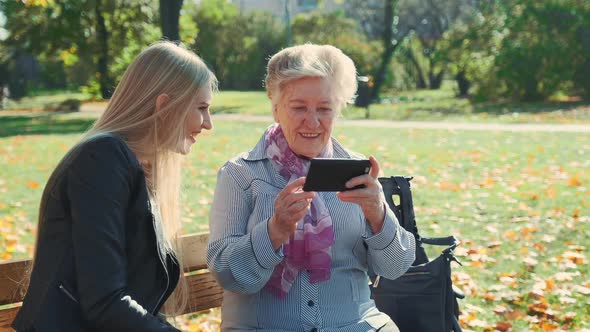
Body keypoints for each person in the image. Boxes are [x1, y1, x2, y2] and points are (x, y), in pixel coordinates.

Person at [207, 44, 415, 332]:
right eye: (299, 107)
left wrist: (379, 214)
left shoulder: (357, 171)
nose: (313, 121)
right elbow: (228, 274)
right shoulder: (240, 174)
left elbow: (396, 267)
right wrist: (275, 231)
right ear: (275, 106)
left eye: (324, 109)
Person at [12, 41, 217, 331]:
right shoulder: (102, 160)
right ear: (164, 106)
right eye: (201, 108)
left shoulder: (135, 165)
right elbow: (105, 302)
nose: (208, 124)